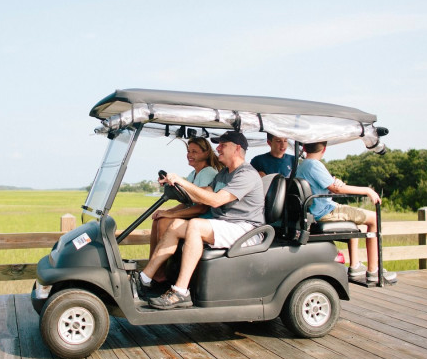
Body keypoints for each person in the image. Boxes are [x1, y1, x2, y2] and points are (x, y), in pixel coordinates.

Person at [137, 131, 265, 309]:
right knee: (175, 225)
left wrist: (182, 181)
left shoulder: (246, 174)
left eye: (223, 145)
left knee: (195, 226)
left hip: (246, 229)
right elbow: (203, 193)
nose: (218, 148)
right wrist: (174, 184)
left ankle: (180, 292)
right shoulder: (224, 174)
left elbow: (215, 200)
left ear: (237, 149)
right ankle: (144, 278)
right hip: (226, 225)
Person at [296, 141, 397, 284]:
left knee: (354, 220)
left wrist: (335, 182)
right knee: (373, 218)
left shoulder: (302, 165)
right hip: (325, 211)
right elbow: (337, 190)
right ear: (324, 149)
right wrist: (367, 190)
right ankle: (374, 271)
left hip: (317, 209)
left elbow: (331, 184)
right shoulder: (314, 165)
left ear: (304, 148)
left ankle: (355, 266)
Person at [147, 137, 221, 284]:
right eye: (188, 151)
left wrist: (171, 214)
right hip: (193, 216)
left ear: (206, 154)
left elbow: (201, 207)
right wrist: (167, 211)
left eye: (194, 151)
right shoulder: (193, 174)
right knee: (158, 220)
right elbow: (186, 201)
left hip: (203, 219)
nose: (189, 154)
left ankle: (160, 273)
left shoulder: (208, 173)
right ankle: (153, 270)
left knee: (163, 223)